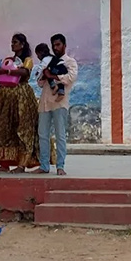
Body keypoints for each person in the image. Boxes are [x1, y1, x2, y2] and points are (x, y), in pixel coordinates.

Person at [0, 33, 38, 173]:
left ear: (22, 44)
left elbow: (24, 73)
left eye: (15, 42)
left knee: (22, 128)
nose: (12, 45)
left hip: (21, 97)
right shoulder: (7, 60)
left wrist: (6, 71)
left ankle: (22, 164)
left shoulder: (27, 60)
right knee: (3, 129)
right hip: (4, 98)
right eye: (12, 42)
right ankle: (4, 163)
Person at [34, 33, 78, 176]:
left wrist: (53, 76)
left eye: (58, 45)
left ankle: (60, 166)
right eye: (53, 45)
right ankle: (44, 165)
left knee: (60, 135)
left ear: (64, 45)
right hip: (45, 102)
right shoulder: (48, 61)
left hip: (60, 103)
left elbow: (71, 77)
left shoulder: (70, 62)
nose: (55, 48)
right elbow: (40, 83)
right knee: (42, 134)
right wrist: (44, 74)